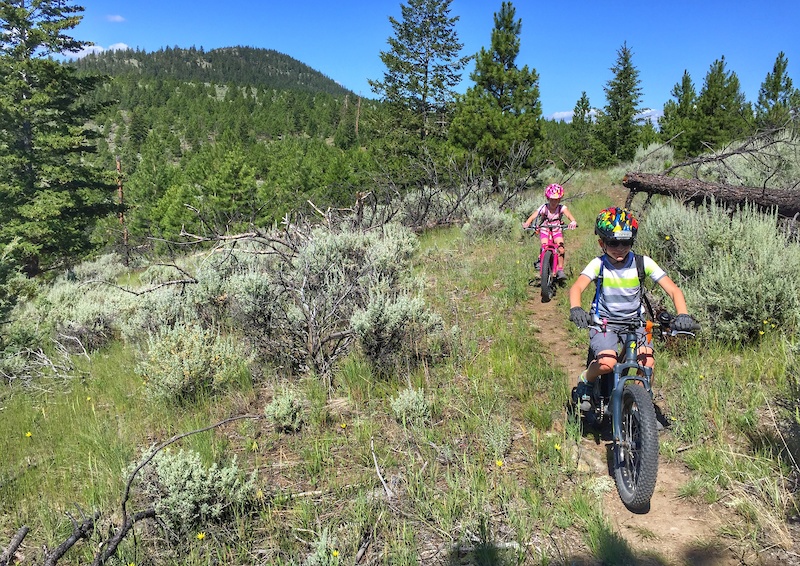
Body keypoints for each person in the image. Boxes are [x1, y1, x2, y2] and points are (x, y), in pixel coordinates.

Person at [568, 207, 697, 411]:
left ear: (632, 242)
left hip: (636, 323)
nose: (619, 248)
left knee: (647, 364)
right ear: (602, 243)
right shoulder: (598, 264)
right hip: (604, 323)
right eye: (613, 243)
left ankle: (638, 407)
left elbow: (673, 290)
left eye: (625, 243)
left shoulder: (641, 263)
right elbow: (577, 287)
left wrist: (683, 314)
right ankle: (586, 380)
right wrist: (576, 309)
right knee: (607, 363)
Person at [522, 183, 577, 280]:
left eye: (556, 200)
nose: (554, 202)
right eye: (552, 199)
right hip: (545, 228)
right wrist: (527, 223)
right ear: (548, 198)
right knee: (544, 245)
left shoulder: (562, 208)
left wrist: (573, 221)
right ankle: (541, 261)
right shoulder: (544, 207)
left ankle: (560, 270)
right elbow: (533, 216)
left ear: (559, 199)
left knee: (561, 248)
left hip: (557, 229)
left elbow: (569, 215)